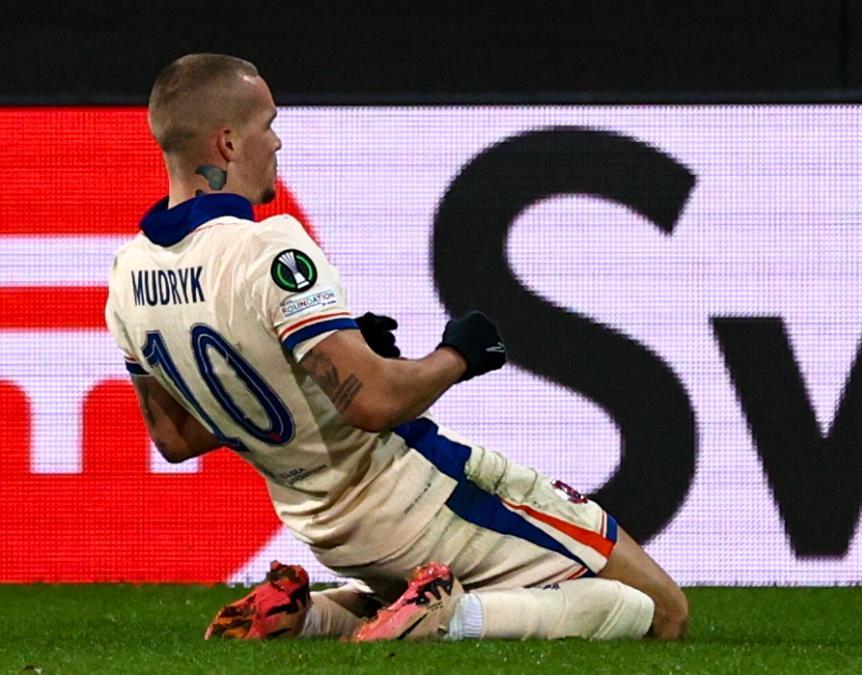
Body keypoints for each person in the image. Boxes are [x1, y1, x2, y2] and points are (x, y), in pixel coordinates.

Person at [104, 53, 688, 642]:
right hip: (414, 493)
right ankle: (448, 618)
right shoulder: (268, 248)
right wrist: (457, 355)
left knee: (457, 592)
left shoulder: (127, 276)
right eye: (267, 125)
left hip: (325, 527)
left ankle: (303, 619)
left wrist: (316, 369)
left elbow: (175, 438)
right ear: (227, 143)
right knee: (659, 610)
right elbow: (374, 404)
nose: (276, 142)